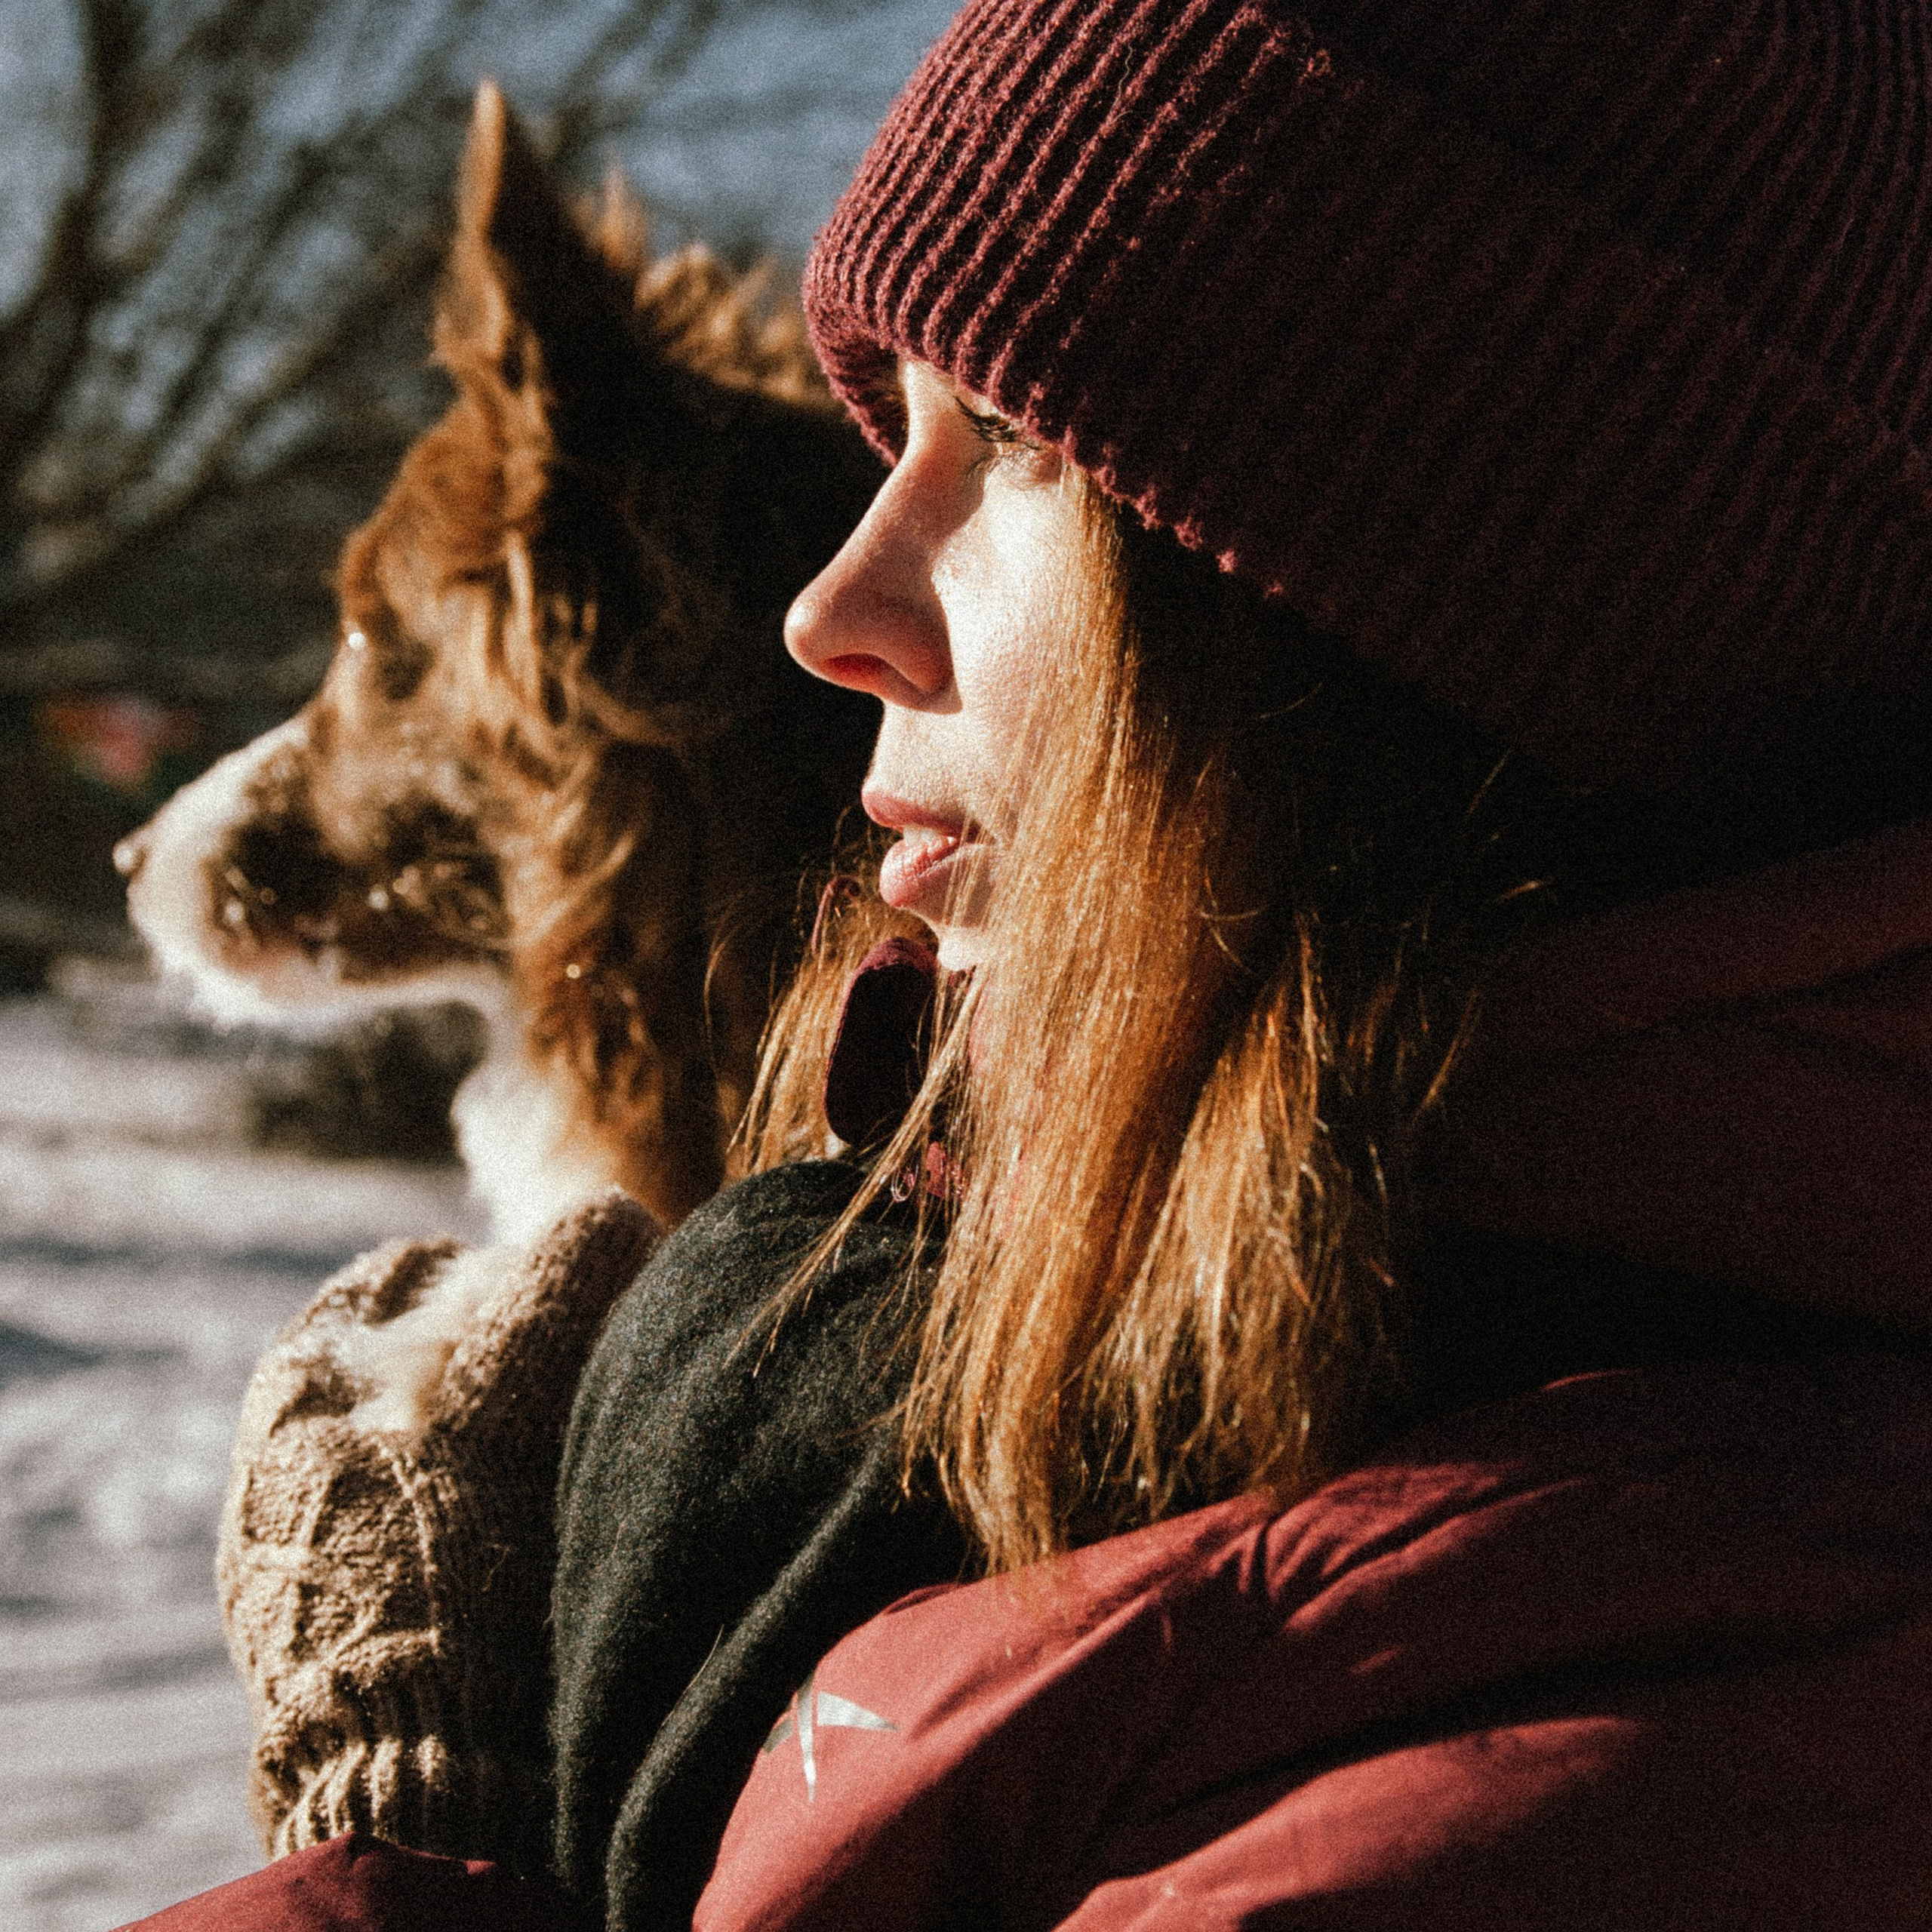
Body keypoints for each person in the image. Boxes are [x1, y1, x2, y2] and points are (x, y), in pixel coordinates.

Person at [139, 1, 1932, 1927]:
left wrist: (412, 1797)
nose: (826, 611)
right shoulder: (1146, 1357)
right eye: (882, 429)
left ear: (1459, 594)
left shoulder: (1624, 1732)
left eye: (1007, 439)